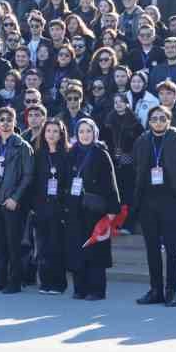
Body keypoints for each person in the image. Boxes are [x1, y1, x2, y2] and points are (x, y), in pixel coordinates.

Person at [132, 105, 176, 306]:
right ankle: (155, 290)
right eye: (154, 118)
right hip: (147, 201)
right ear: (149, 121)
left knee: (172, 248)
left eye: (162, 118)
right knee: (152, 248)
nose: (158, 122)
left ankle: (171, 291)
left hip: (171, 202)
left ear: (169, 120)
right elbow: (136, 168)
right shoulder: (142, 141)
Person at [68, 117, 121, 300]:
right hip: (76, 208)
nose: (85, 135)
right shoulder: (72, 152)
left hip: (96, 209)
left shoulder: (101, 153)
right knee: (78, 248)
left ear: (95, 133)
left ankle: (97, 289)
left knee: (96, 249)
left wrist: (113, 210)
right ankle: (79, 288)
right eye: (81, 131)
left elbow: (111, 183)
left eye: (88, 131)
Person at [0, 106, 34, 294]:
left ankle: (15, 281)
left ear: (14, 123)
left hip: (12, 200)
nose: (5, 123)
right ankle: (0, 278)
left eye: (9, 120)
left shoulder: (23, 146)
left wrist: (15, 198)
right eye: (1, 119)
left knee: (14, 242)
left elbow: (28, 176)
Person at [30, 118, 74, 294]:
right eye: (48, 131)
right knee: (43, 245)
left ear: (61, 134)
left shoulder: (68, 154)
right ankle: (45, 281)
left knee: (57, 245)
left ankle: (58, 283)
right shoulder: (38, 154)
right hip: (41, 206)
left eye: (55, 131)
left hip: (60, 206)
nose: (51, 134)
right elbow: (33, 181)